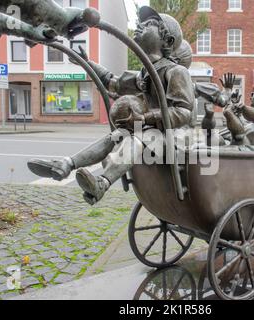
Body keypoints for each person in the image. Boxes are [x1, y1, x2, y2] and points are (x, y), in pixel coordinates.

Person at [27, 6, 195, 205]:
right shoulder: (144, 74)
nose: (140, 26)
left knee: (138, 137)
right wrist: (87, 63)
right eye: (141, 23)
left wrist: (147, 118)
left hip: (177, 137)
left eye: (150, 25)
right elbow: (112, 82)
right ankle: (66, 164)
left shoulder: (176, 72)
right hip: (156, 132)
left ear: (167, 41)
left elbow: (184, 111)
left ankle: (102, 183)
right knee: (115, 136)